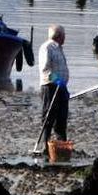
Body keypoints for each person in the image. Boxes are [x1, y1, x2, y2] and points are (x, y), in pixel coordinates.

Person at [38, 24, 69, 154]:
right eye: (64, 35)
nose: (65, 37)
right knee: (49, 116)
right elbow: (45, 69)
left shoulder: (59, 48)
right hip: (50, 86)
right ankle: (46, 146)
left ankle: (60, 145)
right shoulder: (47, 47)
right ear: (59, 36)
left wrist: (63, 85)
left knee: (62, 117)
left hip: (61, 87)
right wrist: (58, 81)